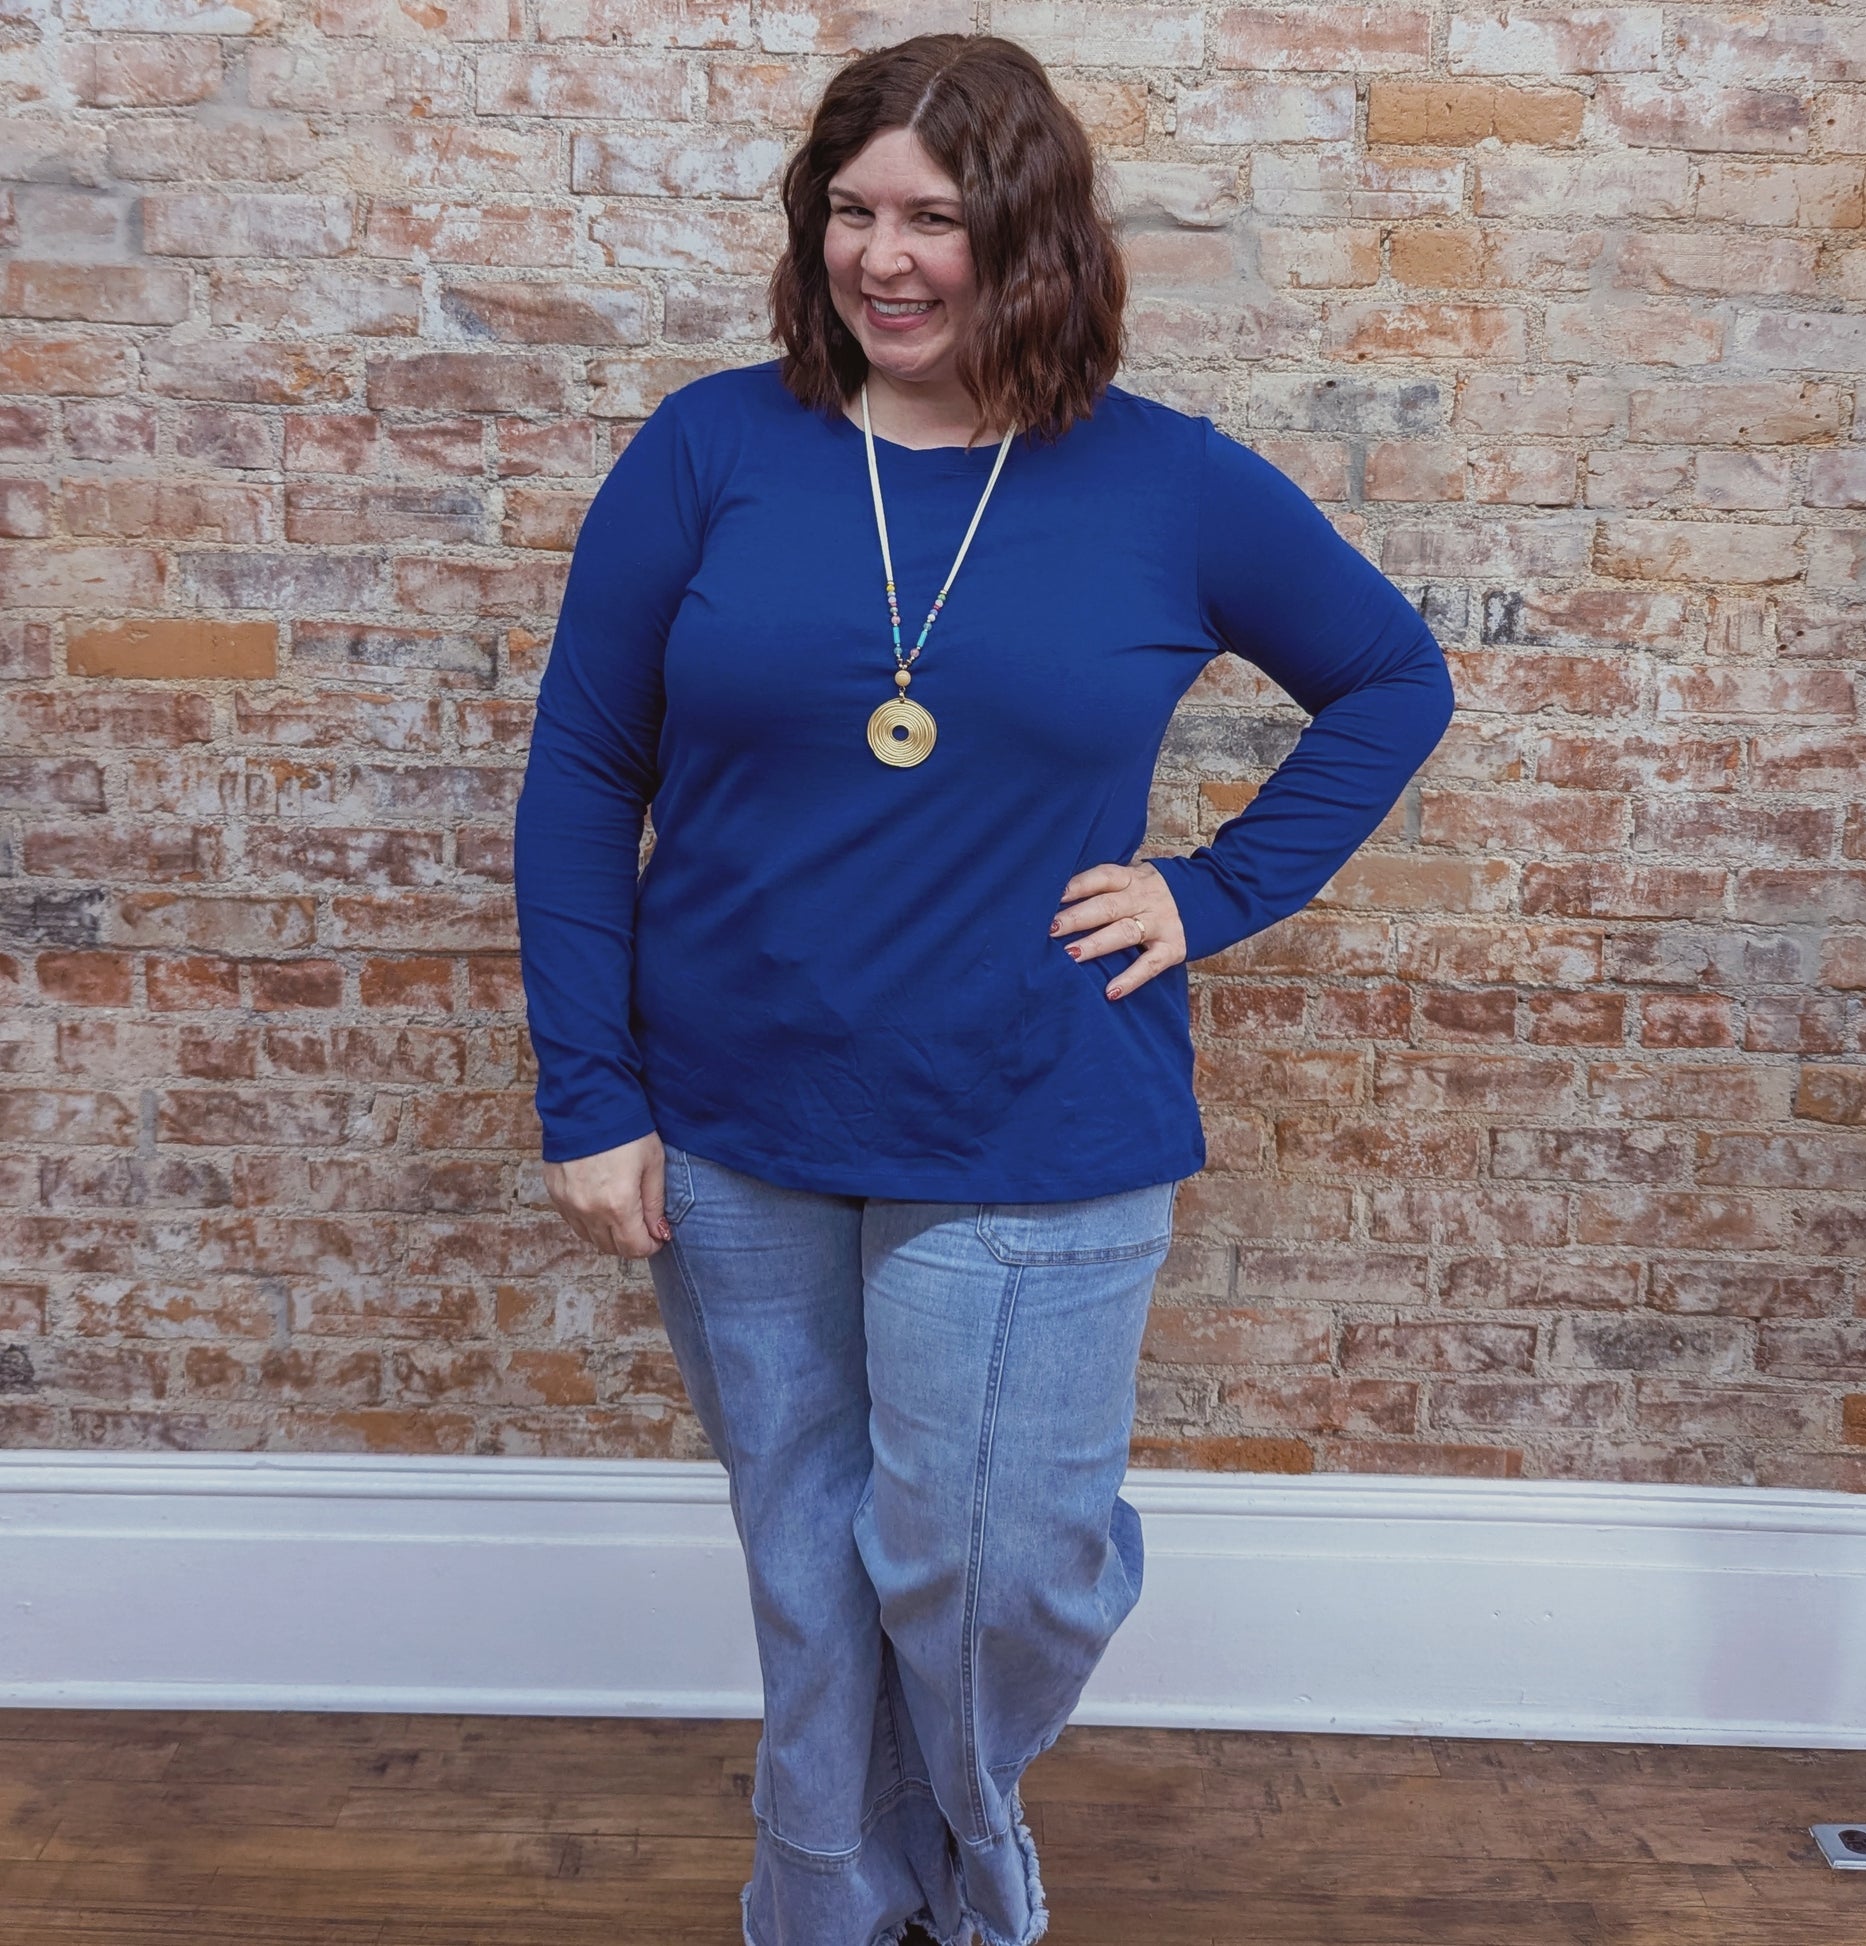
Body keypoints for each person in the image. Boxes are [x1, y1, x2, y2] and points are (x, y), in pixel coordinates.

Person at [512, 32, 1455, 1946]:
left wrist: (1212, 890)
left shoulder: (1166, 481)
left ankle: (959, 1859)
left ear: (1028, 236)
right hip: (736, 1111)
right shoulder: (710, 448)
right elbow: (583, 772)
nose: (884, 257)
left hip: (1038, 1104)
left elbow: (1390, 677)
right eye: (851, 211)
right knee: (808, 1556)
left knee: (997, 1565)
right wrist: (588, 1091)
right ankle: (826, 1898)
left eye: (933, 217)